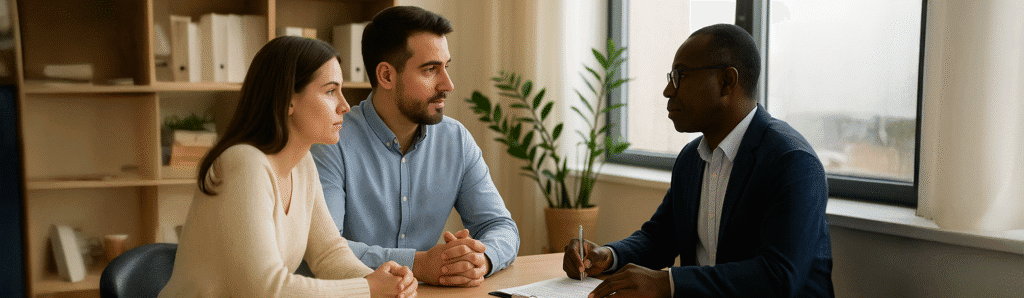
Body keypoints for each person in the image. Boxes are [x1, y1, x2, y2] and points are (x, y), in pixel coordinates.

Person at [563, 24, 834, 297]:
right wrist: (608, 256)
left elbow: (778, 277)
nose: (668, 90)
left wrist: (667, 283)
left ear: (727, 82)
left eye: (680, 76)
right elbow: (660, 239)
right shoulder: (691, 159)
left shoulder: (792, 162)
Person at [159, 36, 417, 298]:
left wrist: (379, 279)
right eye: (330, 91)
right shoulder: (245, 161)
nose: (345, 105)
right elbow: (266, 288)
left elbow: (329, 253)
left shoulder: (302, 163)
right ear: (288, 100)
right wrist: (369, 288)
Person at [309, 6, 519, 288]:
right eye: (431, 69)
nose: (448, 84)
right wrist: (419, 264)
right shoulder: (331, 142)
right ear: (386, 76)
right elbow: (325, 251)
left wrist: (481, 260)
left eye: (447, 67)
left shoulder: (456, 140)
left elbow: (501, 226)